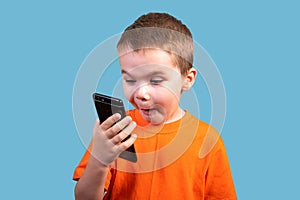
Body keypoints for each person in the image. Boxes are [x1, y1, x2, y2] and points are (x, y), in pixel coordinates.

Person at [73, 12, 237, 200]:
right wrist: (99, 160)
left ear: (187, 79)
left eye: (156, 80)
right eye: (130, 79)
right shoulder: (115, 132)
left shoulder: (208, 141)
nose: (141, 93)